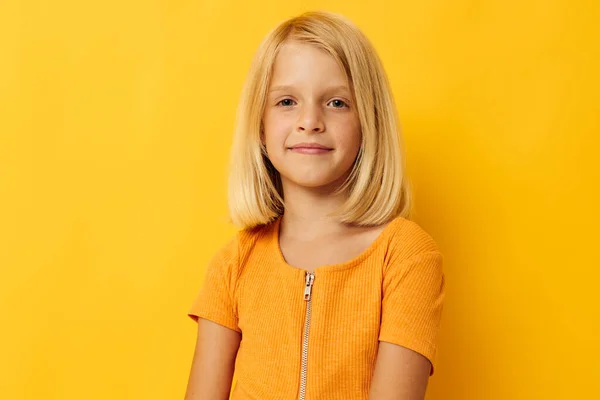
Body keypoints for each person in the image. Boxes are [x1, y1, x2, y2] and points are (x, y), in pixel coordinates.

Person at [184, 10, 446, 400]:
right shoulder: (233, 264)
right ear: (260, 124)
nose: (309, 121)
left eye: (337, 102)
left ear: (368, 121)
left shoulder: (406, 256)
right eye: (287, 101)